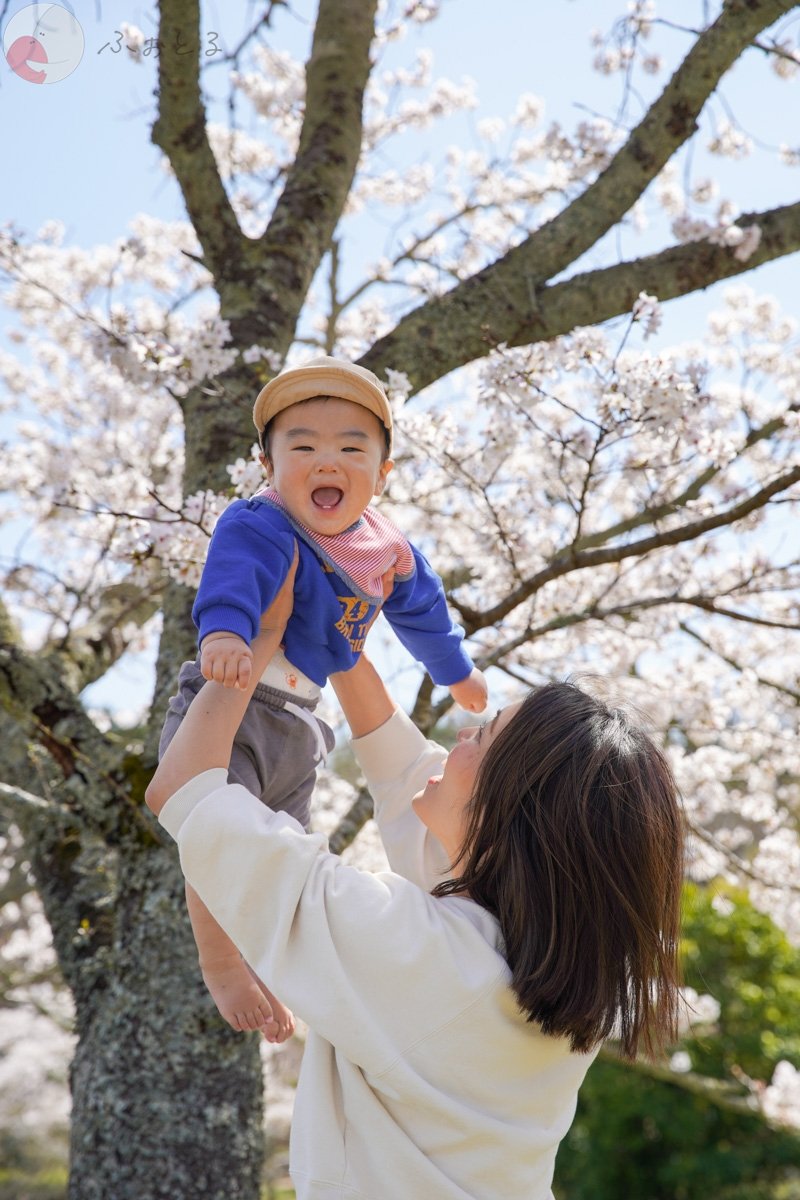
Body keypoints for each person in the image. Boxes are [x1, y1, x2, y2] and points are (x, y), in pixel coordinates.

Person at [146, 554, 684, 1200]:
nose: (455, 740)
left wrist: (263, 634)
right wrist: (340, 634)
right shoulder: (518, 955)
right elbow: (405, 768)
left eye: (479, 741)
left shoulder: (414, 952)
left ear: (508, 817)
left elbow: (186, 791)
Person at [159, 355, 487, 1042]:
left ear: (382, 474)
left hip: (302, 723)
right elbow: (233, 576)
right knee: (215, 829)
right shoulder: (264, 522)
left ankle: (268, 956)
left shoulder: (387, 547)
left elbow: (422, 612)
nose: (325, 461)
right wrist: (224, 634)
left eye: (350, 448)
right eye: (302, 446)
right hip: (236, 702)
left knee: (284, 846)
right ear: (267, 465)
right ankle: (221, 963)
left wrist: (455, 672)